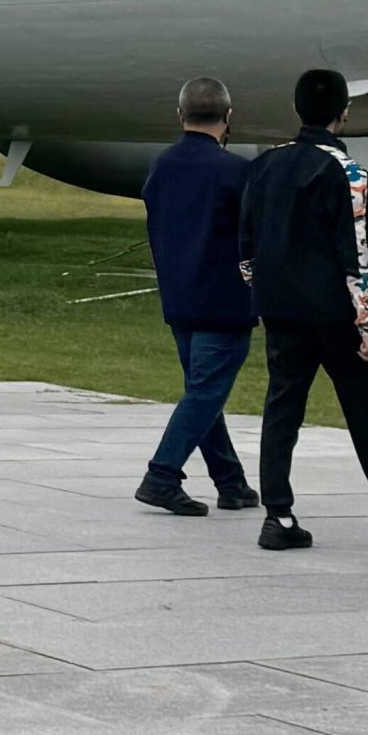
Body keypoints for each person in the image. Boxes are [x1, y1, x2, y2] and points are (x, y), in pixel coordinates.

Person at [238, 68, 368, 552]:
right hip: (334, 314)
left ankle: (279, 515)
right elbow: (358, 253)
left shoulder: (264, 166)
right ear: (343, 114)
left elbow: (247, 247)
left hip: (280, 309)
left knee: (282, 407)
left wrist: (261, 292)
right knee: (365, 413)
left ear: (296, 110)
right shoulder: (348, 172)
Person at [136, 77, 259, 515]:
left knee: (202, 392)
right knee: (205, 394)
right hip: (224, 301)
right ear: (229, 117)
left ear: (180, 115)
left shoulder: (161, 166)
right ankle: (162, 475)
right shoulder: (237, 171)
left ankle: (231, 482)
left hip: (179, 298)